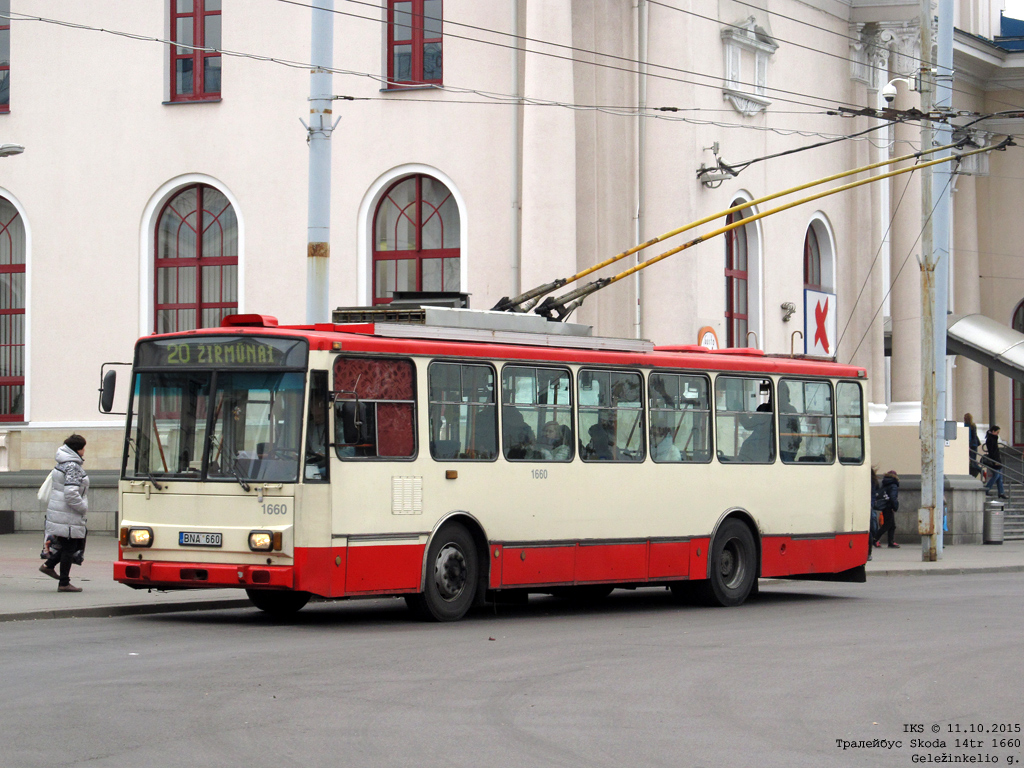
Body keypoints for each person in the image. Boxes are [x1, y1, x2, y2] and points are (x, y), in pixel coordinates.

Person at [38, 434, 89, 592]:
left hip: (60, 512)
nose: (84, 450)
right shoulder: (72, 466)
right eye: (83, 447)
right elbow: (71, 494)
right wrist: (83, 508)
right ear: (77, 449)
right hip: (68, 514)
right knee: (70, 547)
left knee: (69, 545)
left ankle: (48, 565)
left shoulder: (62, 463)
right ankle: (64, 583)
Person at [873, 470, 901, 548]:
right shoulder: (893, 485)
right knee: (887, 524)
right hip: (889, 506)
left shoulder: (885, 483)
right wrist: (895, 506)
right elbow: (893, 497)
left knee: (892, 525)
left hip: (885, 506)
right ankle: (875, 539)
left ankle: (891, 542)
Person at [984, 425, 1008, 499]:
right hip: (994, 460)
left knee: (999, 477)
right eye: (997, 432)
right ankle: (986, 489)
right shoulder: (991, 439)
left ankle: (1001, 492)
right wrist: (995, 461)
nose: (998, 434)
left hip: (996, 459)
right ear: (993, 431)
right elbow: (992, 451)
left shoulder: (993, 438)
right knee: (996, 475)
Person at [964, 413, 981, 479]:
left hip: (971, 445)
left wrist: (969, 445)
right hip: (974, 445)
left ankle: (981, 471)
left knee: (973, 462)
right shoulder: (973, 425)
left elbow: (970, 437)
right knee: (973, 461)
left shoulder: (967, 426)